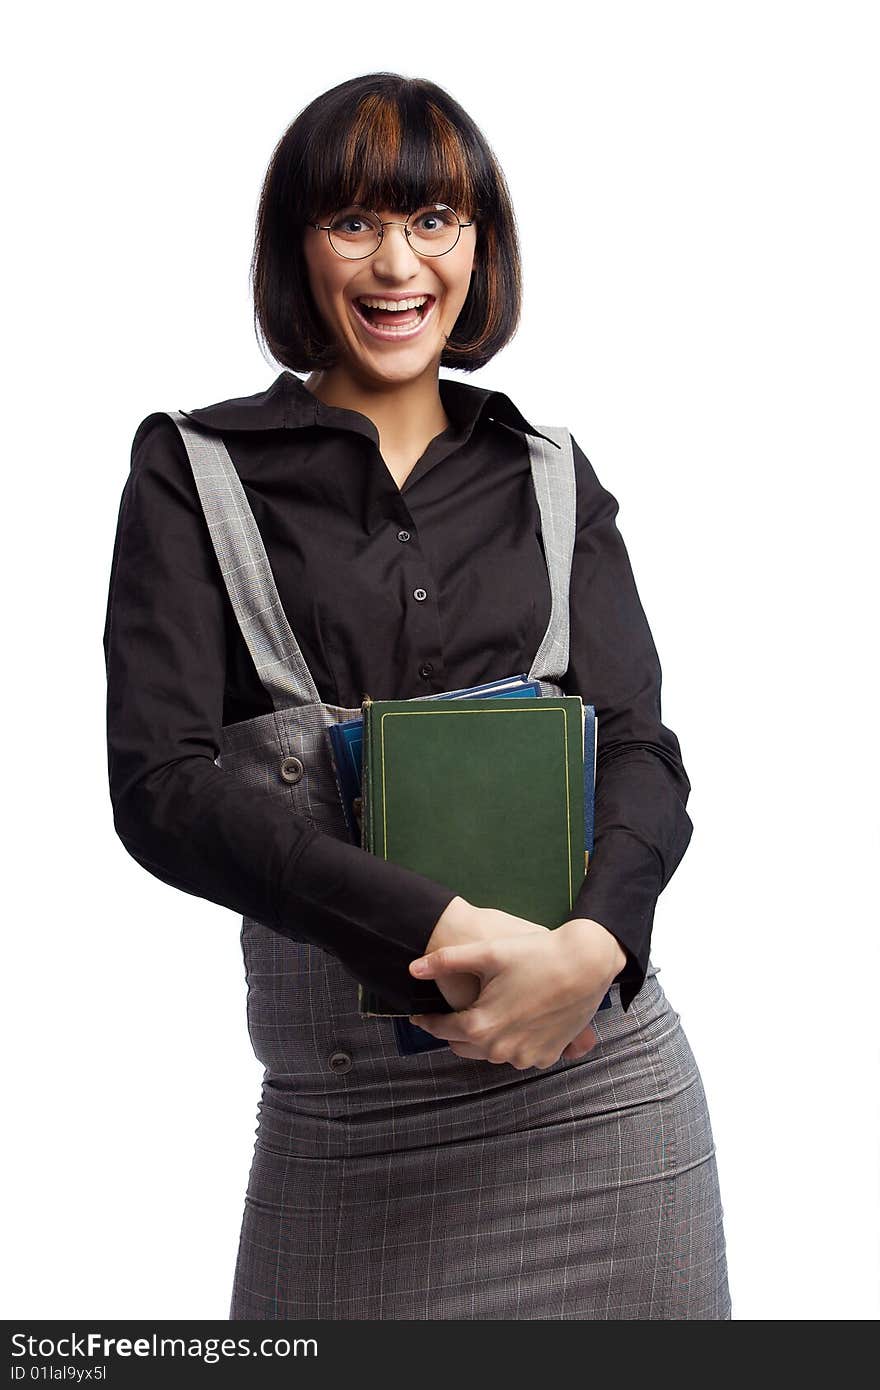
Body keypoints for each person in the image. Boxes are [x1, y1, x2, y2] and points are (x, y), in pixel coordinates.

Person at [102, 71, 732, 1320]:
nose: (398, 264)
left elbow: (642, 750)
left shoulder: (550, 475)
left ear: (478, 245)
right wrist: (440, 921)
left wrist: (592, 948)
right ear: (297, 248)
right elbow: (161, 792)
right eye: (353, 222)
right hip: (350, 1122)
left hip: (602, 1091)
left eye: (434, 220)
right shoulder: (194, 470)